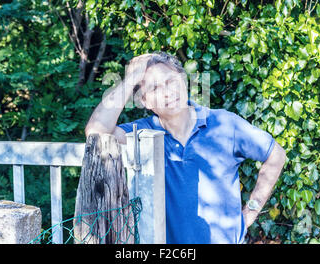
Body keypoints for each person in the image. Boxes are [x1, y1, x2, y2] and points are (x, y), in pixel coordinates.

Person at [85, 52, 287, 244]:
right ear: (144, 101)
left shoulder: (224, 124)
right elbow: (96, 132)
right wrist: (131, 79)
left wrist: (251, 210)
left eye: (171, 81)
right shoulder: (143, 134)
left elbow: (275, 155)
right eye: (154, 88)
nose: (167, 93)